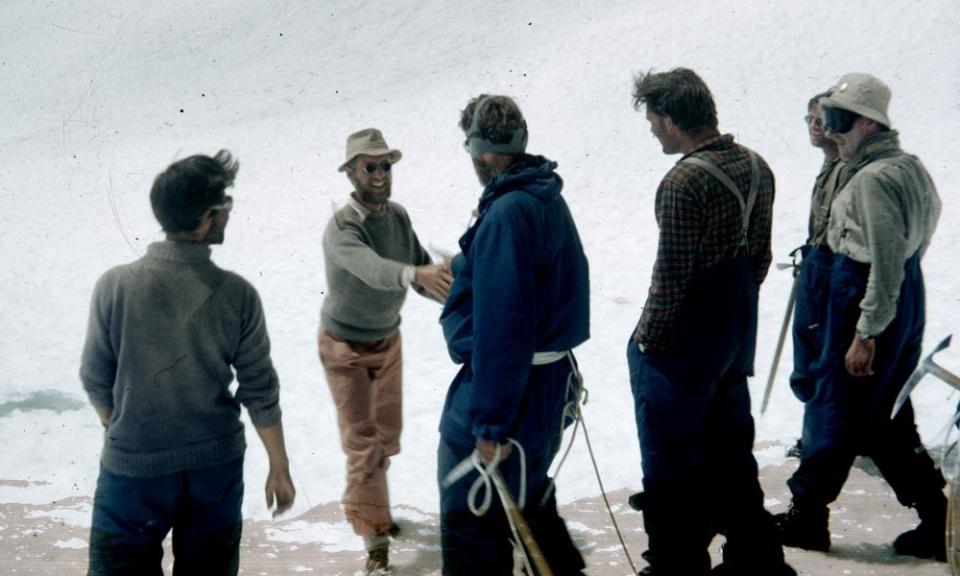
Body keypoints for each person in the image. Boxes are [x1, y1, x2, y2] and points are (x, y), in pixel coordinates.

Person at [80, 150, 296, 575]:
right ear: (205, 218)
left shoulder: (115, 286)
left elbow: (93, 376)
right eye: (224, 207)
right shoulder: (238, 295)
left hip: (133, 469)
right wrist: (280, 466)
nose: (228, 216)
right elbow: (259, 390)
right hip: (214, 469)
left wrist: (121, 429)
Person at [627, 68, 794, 575]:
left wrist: (646, 342)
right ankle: (755, 560)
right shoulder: (757, 165)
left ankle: (677, 565)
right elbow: (760, 258)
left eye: (655, 119)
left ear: (674, 118)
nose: (653, 129)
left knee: (670, 462)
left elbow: (671, 278)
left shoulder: (683, 181)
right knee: (730, 451)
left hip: (682, 345)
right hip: (733, 334)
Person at [776, 72, 946, 561]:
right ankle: (936, 514)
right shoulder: (908, 166)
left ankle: (808, 514)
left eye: (837, 120)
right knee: (884, 411)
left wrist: (866, 330)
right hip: (894, 292)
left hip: (865, 293)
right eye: (825, 118)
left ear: (868, 124)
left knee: (837, 403)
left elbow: (885, 258)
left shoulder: (870, 179)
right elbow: (915, 240)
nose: (829, 130)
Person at [437, 94, 590, 575]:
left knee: (473, 520)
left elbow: (504, 328)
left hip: (506, 393)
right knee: (526, 493)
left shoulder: (506, 213)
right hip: (544, 385)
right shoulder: (544, 195)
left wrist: (490, 425)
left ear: (481, 151)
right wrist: (467, 267)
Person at [319, 128, 452, 574]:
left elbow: (419, 271)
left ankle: (370, 511)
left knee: (386, 439)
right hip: (345, 348)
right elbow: (375, 270)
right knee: (364, 446)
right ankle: (375, 545)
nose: (379, 175)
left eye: (385, 166)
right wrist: (415, 274)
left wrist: (449, 280)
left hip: (387, 341)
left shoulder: (396, 216)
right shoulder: (342, 227)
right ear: (351, 172)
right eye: (369, 167)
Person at [786, 90, 849, 459]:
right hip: (817, 265)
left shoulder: (847, 168)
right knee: (811, 359)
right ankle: (814, 437)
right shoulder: (829, 165)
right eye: (808, 118)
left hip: (832, 271)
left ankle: (818, 441)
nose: (813, 126)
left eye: (820, 120)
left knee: (823, 359)